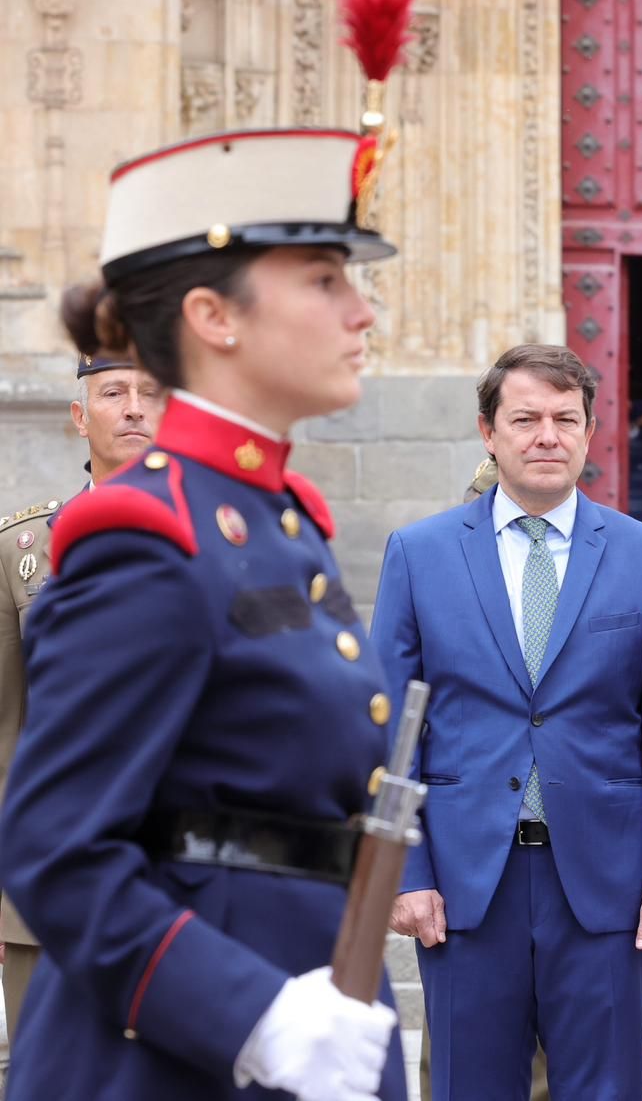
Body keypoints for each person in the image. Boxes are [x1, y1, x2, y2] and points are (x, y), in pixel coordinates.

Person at [0, 127, 407, 1099]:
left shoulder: (280, 518)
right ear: (212, 316)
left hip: (313, 1019)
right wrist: (252, 1018)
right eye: (322, 280)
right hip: (179, 1056)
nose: (364, 311)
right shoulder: (147, 535)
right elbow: (57, 850)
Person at [370, 342, 642, 1100]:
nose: (545, 435)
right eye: (525, 419)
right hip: (462, 885)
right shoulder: (419, 555)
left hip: (609, 887)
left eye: (564, 418)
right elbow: (393, 733)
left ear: (590, 433)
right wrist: (403, 868)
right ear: (489, 432)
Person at [0, 352, 164, 1040]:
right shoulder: (23, 549)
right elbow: (5, 725)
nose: (133, 407)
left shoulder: (228, 537)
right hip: (48, 873)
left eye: (151, 392)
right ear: (78, 416)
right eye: (113, 392)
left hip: (176, 871)